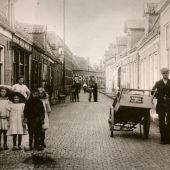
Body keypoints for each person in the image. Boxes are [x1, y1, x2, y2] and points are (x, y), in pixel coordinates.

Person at [152, 67, 170, 144]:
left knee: (169, 122)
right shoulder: (158, 83)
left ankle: (168, 138)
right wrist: (160, 96)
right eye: (164, 73)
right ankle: (163, 139)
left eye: (167, 73)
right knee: (161, 122)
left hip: (169, 104)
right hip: (161, 105)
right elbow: (152, 92)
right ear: (162, 74)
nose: (166, 74)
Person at [0, 85, 11, 150]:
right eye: (2, 92)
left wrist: (8, 115)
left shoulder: (8, 100)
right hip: (0, 118)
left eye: (4, 92)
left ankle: (5, 144)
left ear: (6, 93)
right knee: (0, 131)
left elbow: (9, 108)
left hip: (5, 118)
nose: (3, 93)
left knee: (5, 132)